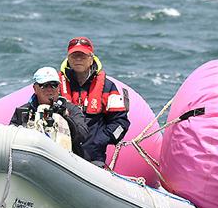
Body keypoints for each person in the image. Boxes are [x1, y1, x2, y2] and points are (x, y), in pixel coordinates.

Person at [59, 37, 130, 167]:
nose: (78, 59)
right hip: (60, 155)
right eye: (74, 56)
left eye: (83, 56)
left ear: (91, 59)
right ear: (68, 58)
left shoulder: (107, 87)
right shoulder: (55, 86)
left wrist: (100, 141)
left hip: (93, 158)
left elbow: (121, 123)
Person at [10, 66, 89, 158]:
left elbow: (83, 135)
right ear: (35, 88)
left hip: (67, 160)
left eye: (54, 84)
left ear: (59, 88)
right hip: (31, 158)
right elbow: (11, 138)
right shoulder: (23, 112)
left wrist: (66, 118)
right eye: (44, 85)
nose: (49, 89)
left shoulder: (71, 109)